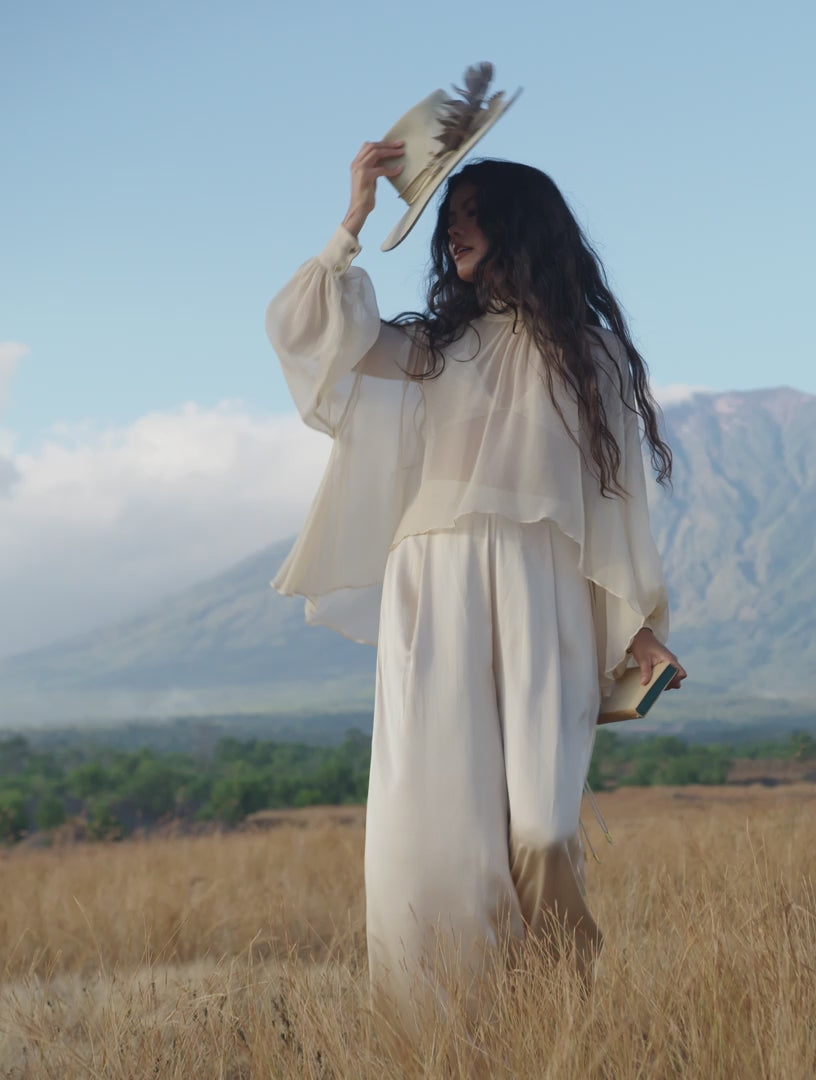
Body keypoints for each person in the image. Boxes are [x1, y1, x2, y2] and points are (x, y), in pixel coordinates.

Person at [265, 139, 687, 1020]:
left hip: (549, 589)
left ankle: (567, 1013)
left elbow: (615, 507)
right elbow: (307, 333)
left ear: (520, 228)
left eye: (472, 215)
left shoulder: (595, 358)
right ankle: (451, 1037)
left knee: (545, 826)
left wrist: (636, 624)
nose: (454, 229)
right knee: (435, 836)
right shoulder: (429, 349)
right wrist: (355, 215)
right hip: (433, 584)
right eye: (449, 218)